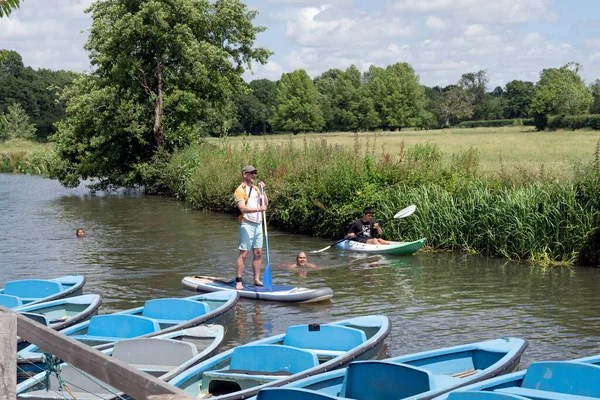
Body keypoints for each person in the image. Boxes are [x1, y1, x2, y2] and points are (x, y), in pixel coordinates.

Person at [234, 165, 268, 290]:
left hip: (258, 224)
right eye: (251, 173)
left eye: (255, 173)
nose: (254, 175)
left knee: (258, 253)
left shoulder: (256, 189)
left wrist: (264, 191)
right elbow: (242, 208)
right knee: (244, 253)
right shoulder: (240, 190)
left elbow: (265, 204)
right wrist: (259, 209)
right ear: (244, 175)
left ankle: (256, 279)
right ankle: (239, 281)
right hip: (246, 224)